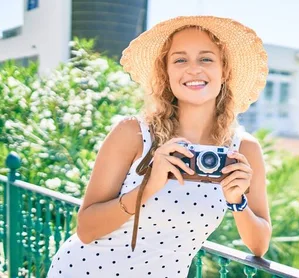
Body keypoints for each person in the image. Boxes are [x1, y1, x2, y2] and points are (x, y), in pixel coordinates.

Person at [47, 15, 271, 277]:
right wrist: (149, 185)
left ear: (225, 72)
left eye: (206, 58)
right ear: (166, 73)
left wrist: (237, 200)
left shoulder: (243, 150)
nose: (193, 69)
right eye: (180, 60)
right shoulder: (133, 133)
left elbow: (259, 245)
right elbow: (86, 229)